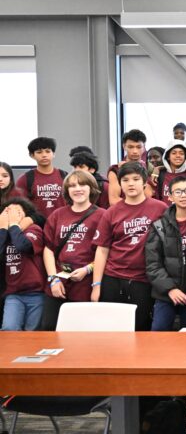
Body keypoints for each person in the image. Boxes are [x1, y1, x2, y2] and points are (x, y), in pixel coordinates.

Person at [91, 162, 168, 331]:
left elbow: (168, 245)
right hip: (113, 278)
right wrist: (96, 285)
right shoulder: (111, 211)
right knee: (112, 329)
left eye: (135, 179)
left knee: (140, 328)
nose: (131, 183)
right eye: (125, 180)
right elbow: (102, 250)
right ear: (120, 184)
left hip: (144, 279)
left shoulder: (160, 208)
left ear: (145, 182)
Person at [41, 170, 105, 330]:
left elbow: (105, 252)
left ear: (91, 188)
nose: (78, 189)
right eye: (73, 185)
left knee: (81, 333)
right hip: (58, 282)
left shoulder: (102, 215)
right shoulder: (57, 215)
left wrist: (87, 269)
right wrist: (53, 279)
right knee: (50, 329)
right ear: (67, 191)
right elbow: (48, 249)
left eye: (82, 184)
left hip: (85, 284)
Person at [145, 175, 186, 331]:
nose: (183, 195)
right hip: (165, 294)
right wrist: (170, 289)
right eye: (178, 192)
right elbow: (152, 264)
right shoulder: (159, 226)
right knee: (158, 337)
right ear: (170, 197)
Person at [0, 198, 45, 331]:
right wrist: (3, 229)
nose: (13, 214)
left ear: (26, 215)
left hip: (36, 293)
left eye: (18, 212)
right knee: (9, 328)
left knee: (33, 332)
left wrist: (14, 225)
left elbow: (23, 245)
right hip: (13, 294)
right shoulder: (3, 234)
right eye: (8, 212)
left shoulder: (33, 229)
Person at [16, 136, 67, 219]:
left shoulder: (65, 176)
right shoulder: (25, 179)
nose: (44, 155)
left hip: (62, 225)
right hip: (36, 225)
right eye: (39, 152)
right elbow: (19, 206)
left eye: (48, 151)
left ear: (54, 154)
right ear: (32, 155)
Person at [108, 129, 151, 206]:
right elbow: (113, 200)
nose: (135, 151)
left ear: (144, 147)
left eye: (138, 147)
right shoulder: (115, 170)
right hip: (124, 215)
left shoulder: (151, 169)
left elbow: (149, 195)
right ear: (124, 147)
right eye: (131, 147)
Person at [151, 140, 186, 205]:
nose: (178, 156)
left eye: (181, 153)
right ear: (168, 156)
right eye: (174, 153)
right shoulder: (160, 174)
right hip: (165, 214)